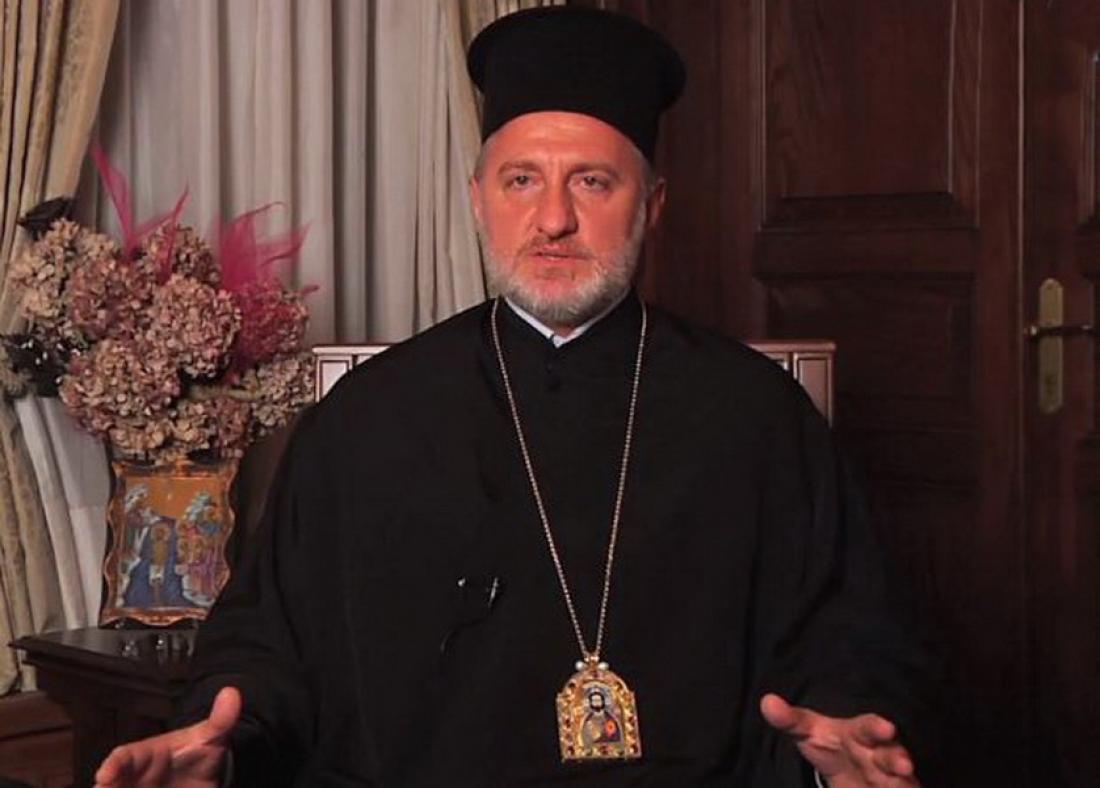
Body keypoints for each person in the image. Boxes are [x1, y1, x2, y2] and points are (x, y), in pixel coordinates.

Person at [94, 7, 934, 787]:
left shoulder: (758, 418)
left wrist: (844, 741)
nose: (553, 219)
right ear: (478, 200)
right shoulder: (365, 419)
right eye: (521, 180)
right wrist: (223, 742)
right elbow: (265, 648)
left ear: (653, 205)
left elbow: (845, 642)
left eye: (593, 182)